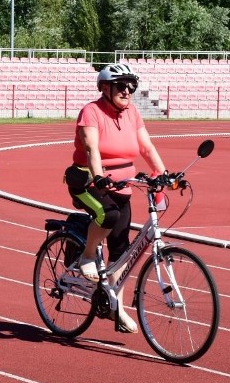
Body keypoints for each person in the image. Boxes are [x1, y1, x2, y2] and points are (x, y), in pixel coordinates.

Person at [64, 63, 167, 334]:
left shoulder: (132, 113)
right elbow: (91, 148)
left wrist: (163, 174)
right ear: (105, 88)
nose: (127, 91)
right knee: (108, 215)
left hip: (122, 185)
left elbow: (146, 146)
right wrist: (99, 177)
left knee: (121, 251)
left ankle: (116, 307)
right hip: (88, 181)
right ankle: (87, 256)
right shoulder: (91, 112)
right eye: (120, 86)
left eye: (130, 86)